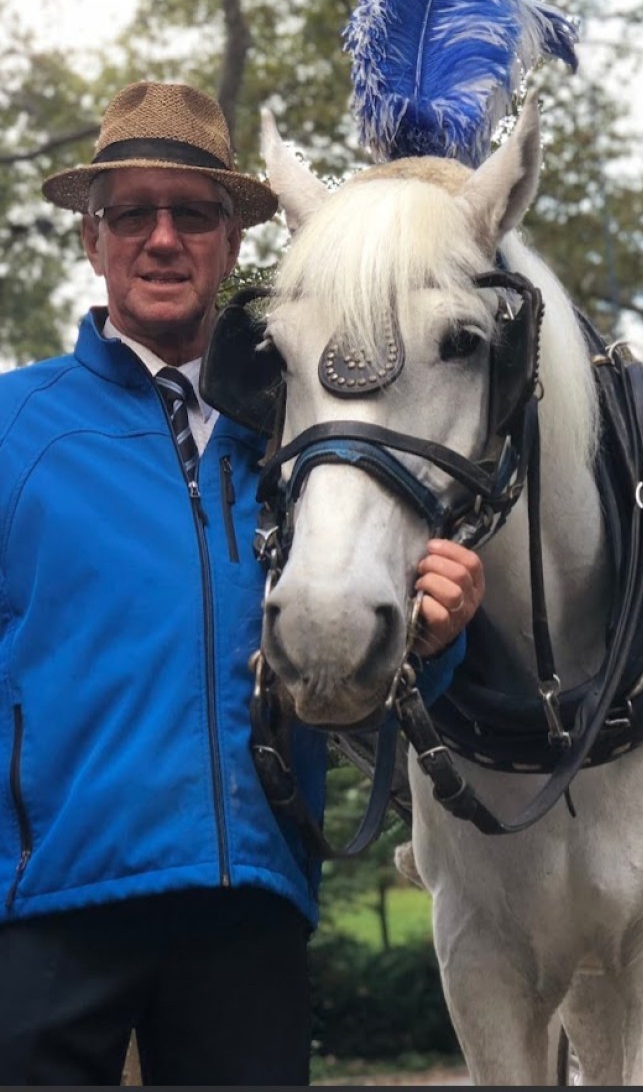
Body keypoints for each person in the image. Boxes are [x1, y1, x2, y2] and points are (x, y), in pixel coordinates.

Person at [0, 81, 484, 1085]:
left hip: (250, 903)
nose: (164, 238)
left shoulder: (308, 447)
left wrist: (437, 645)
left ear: (233, 242)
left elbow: (363, 691)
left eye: (196, 213)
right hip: (49, 907)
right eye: (133, 212)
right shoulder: (15, 428)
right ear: (94, 241)